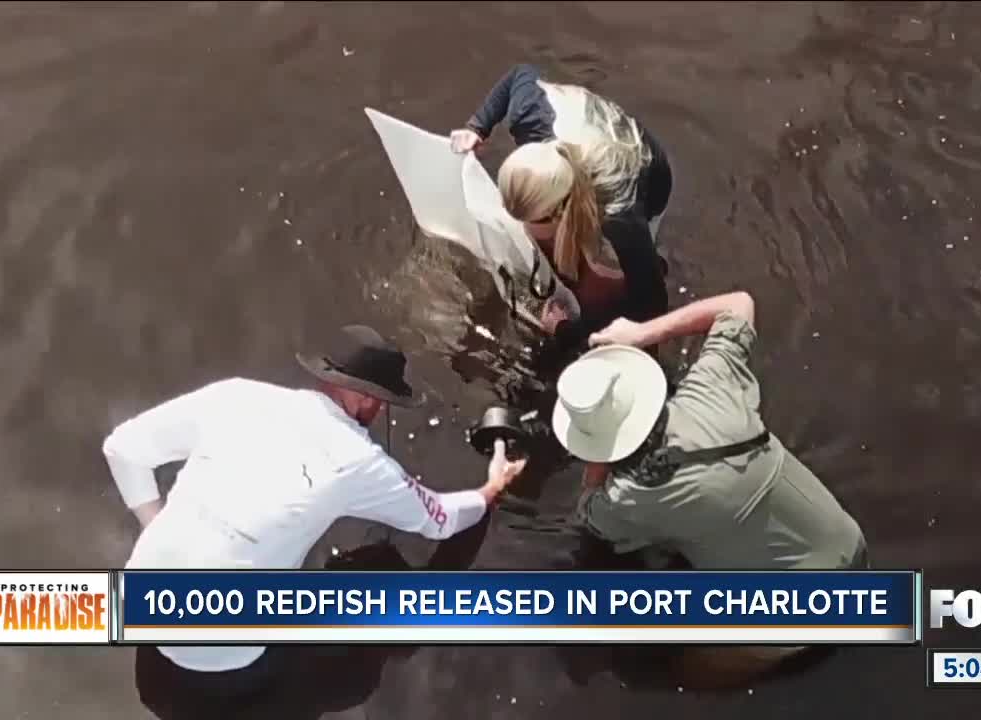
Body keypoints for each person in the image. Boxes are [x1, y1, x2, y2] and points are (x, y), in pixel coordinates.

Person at [101, 324, 528, 719]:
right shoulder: (355, 460)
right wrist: (491, 489)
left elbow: (122, 449)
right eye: (381, 401)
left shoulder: (236, 396)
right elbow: (438, 520)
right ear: (366, 399)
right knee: (348, 681)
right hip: (227, 658)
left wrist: (154, 527)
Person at [550, 291, 867, 688]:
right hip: (850, 551)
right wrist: (640, 334)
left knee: (687, 674)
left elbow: (588, 513)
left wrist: (596, 460)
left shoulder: (627, 500)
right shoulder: (710, 388)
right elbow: (739, 304)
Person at [450, 64, 671, 351]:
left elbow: (652, 307)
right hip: (586, 136)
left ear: (563, 211)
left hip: (644, 172)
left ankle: (644, 264)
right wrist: (478, 126)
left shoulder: (620, 216)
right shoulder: (529, 113)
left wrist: (568, 331)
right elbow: (518, 75)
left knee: (641, 274)